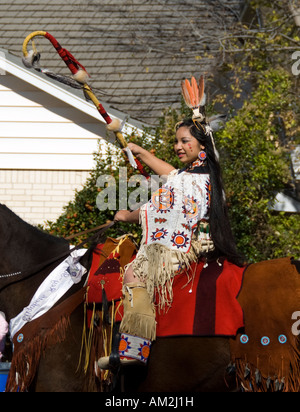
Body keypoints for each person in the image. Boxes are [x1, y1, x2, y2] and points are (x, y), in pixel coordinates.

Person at [98, 76, 243, 369]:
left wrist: (127, 215)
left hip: (183, 247)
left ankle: (134, 350)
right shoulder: (203, 175)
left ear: (200, 145)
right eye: (176, 141)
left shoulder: (190, 182)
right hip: (200, 240)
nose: (178, 146)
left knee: (133, 275)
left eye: (184, 141)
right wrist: (143, 154)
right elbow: (172, 174)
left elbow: (159, 208)